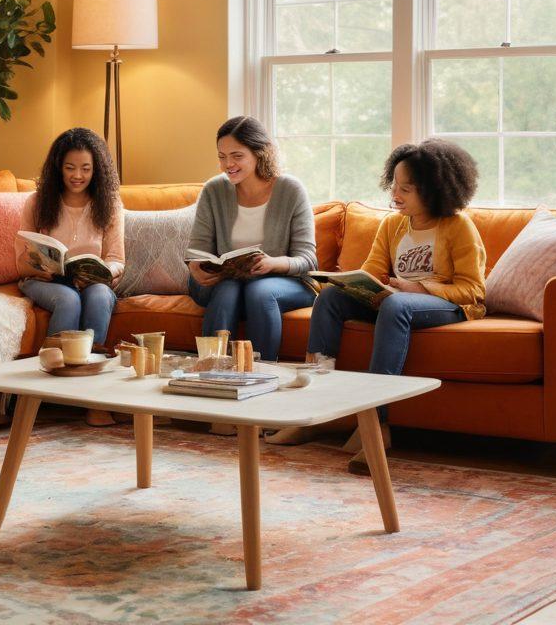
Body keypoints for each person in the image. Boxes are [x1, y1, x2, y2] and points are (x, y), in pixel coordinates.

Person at [285, 138, 485, 475]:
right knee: (331, 298)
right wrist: (352, 285)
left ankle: (375, 426)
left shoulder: (457, 226)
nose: (396, 194)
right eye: (394, 185)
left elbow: (473, 289)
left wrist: (418, 287)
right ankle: (313, 409)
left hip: (449, 305)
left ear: (433, 190)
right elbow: (371, 273)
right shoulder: (392, 224)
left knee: (395, 306)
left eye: (406, 188)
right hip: (397, 299)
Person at [187, 116, 318, 364]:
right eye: (222, 157)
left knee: (259, 291)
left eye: (237, 156)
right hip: (223, 280)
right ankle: (212, 369)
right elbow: (198, 249)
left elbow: (308, 260)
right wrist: (195, 265)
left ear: (260, 153)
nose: (228, 164)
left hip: (281, 281)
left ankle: (263, 370)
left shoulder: (291, 190)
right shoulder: (213, 190)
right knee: (227, 289)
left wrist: (273, 264)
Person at [19, 127, 124, 427]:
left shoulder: (110, 204)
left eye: (86, 169)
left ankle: (92, 397)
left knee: (99, 296)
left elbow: (117, 259)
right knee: (68, 300)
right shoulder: (37, 202)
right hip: (46, 280)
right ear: (58, 168)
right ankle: (51, 392)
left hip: (92, 282)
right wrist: (43, 267)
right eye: (70, 168)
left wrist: (104, 272)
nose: (78, 175)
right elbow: (21, 262)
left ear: (97, 170)